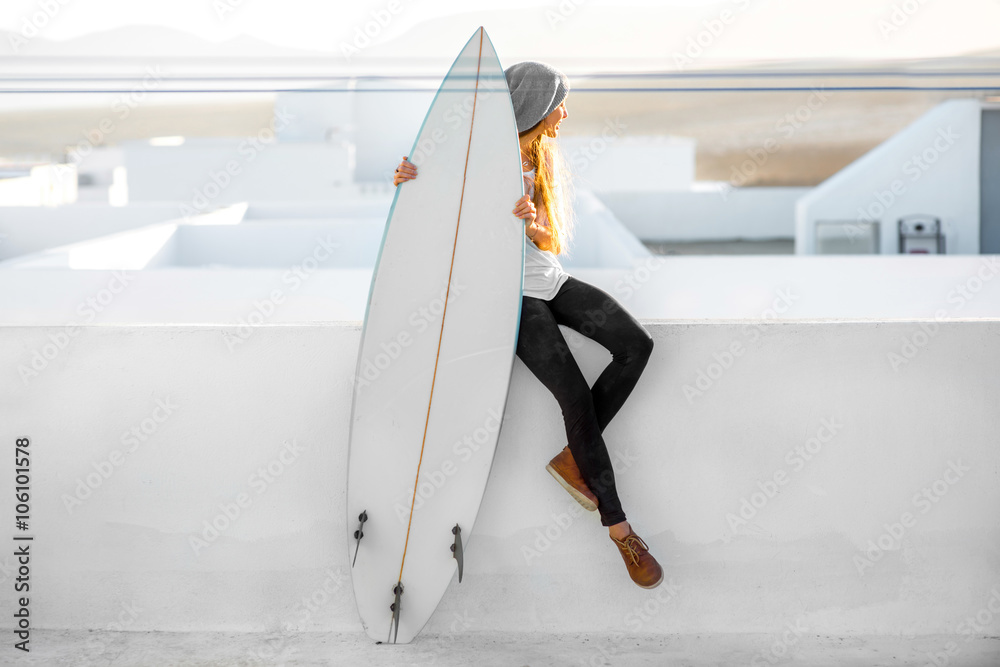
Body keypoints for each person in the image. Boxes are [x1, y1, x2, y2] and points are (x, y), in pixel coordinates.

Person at [392, 61, 662, 589]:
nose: (566, 113)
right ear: (538, 105)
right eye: (561, 100)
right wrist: (408, 182)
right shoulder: (474, 161)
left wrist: (538, 224)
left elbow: (545, 241)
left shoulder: (537, 159)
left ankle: (571, 458)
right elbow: (434, 205)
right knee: (575, 397)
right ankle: (620, 530)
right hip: (511, 299)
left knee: (636, 344)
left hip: (548, 281)